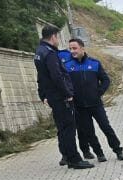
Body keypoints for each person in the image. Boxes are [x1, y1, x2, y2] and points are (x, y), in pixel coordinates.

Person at [34, 26, 92, 170]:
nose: (58, 40)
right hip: (60, 97)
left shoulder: (39, 52)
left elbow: (41, 77)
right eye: (58, 37)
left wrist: (43, 95)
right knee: (68, 128)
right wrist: (68, 94)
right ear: (53, 36)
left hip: (52, 96)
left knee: (62, 128)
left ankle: (66, 155)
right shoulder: (50, 54)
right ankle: (74, 159)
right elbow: (57, 76)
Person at [65, 38, 123, 162]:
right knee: (89, 132)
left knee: (106, 127)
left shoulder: (94, 63)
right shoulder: (67, 66)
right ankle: (99, 153)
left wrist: (98, 93)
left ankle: (118, 150)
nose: (72, 51)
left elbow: (105, 80)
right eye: (70, 49)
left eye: (75, 48)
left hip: (95, 104)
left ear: (82, 48)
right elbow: (64, 84)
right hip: (79, 106)